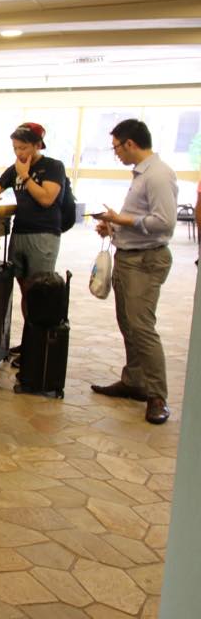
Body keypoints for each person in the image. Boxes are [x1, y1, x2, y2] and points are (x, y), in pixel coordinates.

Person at [91, 119, 178, 424]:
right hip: (129, 256)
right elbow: (142, 218)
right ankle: (134, 381)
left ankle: (157, 396)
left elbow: (164, 222)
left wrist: (122, 220)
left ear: (130, 143)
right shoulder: (142, 175)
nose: (115, 152)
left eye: (116, 146)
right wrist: (113, 227)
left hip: (146, 260)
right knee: (128, 323)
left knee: (142, 326)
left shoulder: (158, 175)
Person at [0, 122, 66, 367]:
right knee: (25, 290)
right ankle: (29, 341)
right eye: (15, 148)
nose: (19, 153)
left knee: (40, 292)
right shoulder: (14, 168)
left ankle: (39, 349)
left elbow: (47, 198)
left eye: (23, 148)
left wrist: (25, 176)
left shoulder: (53, 166)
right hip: (20, 233)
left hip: (43, 234)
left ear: (37, 145)